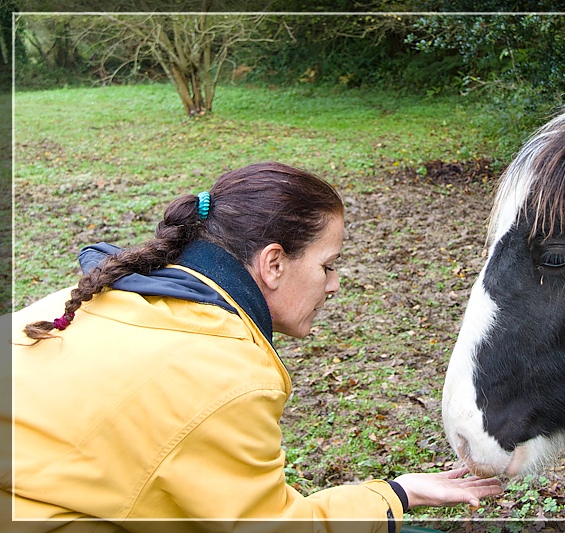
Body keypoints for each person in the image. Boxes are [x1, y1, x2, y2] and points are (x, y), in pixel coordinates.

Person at [1, 161, 502, 532]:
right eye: (328, 265)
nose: (334, 285)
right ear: (274, 263)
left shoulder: (88, 298)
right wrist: (396, 495)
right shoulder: (222, 373)